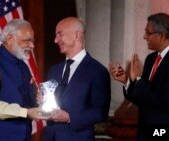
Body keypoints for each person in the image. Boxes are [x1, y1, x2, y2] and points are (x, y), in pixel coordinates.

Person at [0, 19, 47, 141]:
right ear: (10, 39)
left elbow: (24, 101)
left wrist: (38, 100)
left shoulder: (22, 64)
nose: (32, 46)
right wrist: (25, 112)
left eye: (32, 41)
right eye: (27, 41)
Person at [42, 17, 111, 141]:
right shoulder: (54, 70)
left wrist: (69, 117)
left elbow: (100, 112)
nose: (55, 40)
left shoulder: (97, 71)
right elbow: (48, 103)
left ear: (76, 35)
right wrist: (42, 99)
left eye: (59, 34)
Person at [109, 13, 169, 141]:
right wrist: (127, 81)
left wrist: (139, 80)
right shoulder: (151, 59)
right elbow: (143, 98)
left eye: (148, 33)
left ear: (162, 35)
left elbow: (164, 101)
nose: (144, 37)